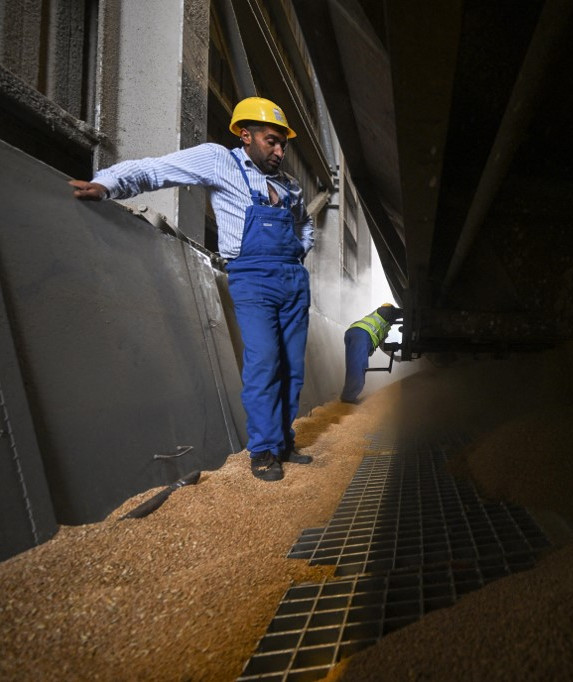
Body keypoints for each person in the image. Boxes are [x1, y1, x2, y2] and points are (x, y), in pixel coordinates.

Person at [70, 97, 315, 482]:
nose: (280, 151)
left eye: (283, 143)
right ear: (245, 135)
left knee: (293, 368)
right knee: (264, 361)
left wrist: (301, 249)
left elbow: (305, 225)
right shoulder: (221, 161)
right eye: (272, 141)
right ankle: (264, 450)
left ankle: (284, 441)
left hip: (293, 280)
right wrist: (107, 183)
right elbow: (158, 169)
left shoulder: (289, 186)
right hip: (252, 277)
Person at [341, 303, 403, 403]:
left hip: (352, 333)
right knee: (359, 367)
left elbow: (383, 347)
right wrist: (407, 311)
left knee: (353, 366)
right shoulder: (384, 312)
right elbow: (390, 309)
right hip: (362, 334)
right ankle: (348, 399)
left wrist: (394, 357)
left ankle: (348, 396)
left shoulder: (384, 328)